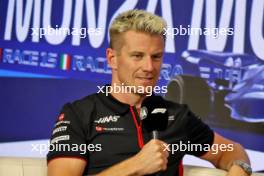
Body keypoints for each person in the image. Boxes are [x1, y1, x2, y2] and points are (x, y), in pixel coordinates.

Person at [47, 9, 251, 176]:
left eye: (156, 57)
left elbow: (231, 151)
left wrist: (240, 168)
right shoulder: (79, 114)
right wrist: (134, 166)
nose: (149, 67)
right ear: (112, 59)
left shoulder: (176, 116)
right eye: (137, 56)